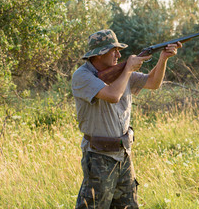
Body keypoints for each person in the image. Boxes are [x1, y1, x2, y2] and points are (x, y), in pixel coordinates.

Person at [72, 29, 181, 209]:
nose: (119, 54)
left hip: (123, 154)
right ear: (98, 55)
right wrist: (128, 68)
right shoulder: (82, 76)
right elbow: (113, 95)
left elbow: (153, 82)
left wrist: (163, 59)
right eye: (113, 50)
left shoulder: (120, 72)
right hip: (99, 156)